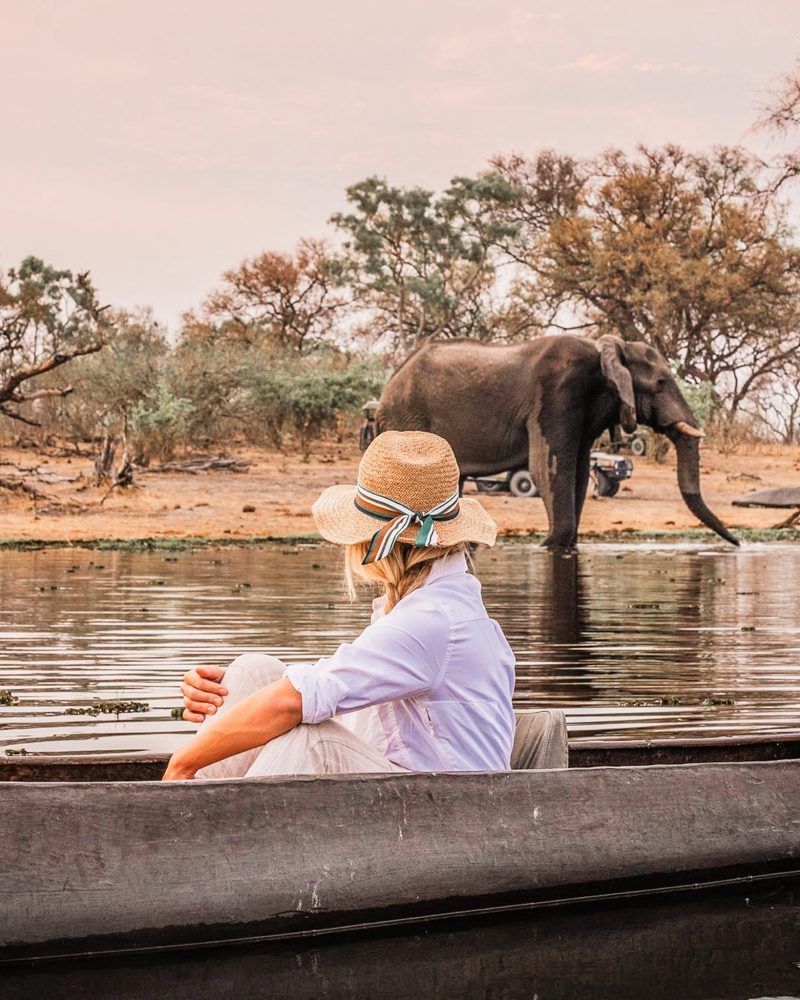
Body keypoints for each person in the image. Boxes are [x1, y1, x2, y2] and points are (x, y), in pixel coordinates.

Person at [162, 431, 566, 781]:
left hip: (444, 816)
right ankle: (198, 806)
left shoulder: (432, 620)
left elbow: (296, 701)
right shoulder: (424, 606)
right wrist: (227, 710)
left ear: (378, 542)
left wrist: (182, 762)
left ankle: (199, 821)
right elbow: (317, 693)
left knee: (311, 739)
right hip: (407, 786)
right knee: (257, 673)